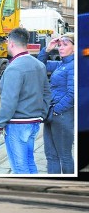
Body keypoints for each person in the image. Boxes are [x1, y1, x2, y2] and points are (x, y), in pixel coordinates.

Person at [0, 27, 51, 174]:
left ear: (11, 43)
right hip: (33, 123)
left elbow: (9, 101)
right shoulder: (39, 64)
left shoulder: (14, 68)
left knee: (19, 168)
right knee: (29, 162)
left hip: (17, 125)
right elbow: (46, 93)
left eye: (7, 43)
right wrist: (41, 114)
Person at [37, 32, 75, 174]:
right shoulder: (61, 64)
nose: (61, 48)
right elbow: (40, 66)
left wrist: (57, 110)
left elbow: (73, 94)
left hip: (62, 115)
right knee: (51, 156)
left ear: (75, 47)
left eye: (65, 44)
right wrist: (47, 49)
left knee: (64, 156)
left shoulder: (73, 65)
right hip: (52, 114)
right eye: (59, 45)